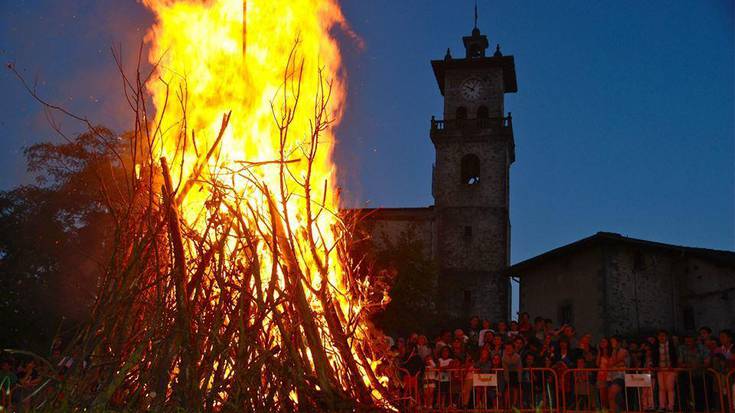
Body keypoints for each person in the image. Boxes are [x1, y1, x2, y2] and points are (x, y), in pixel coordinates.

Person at [652, 329, 678, 412]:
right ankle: (662, 406)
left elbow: (675, 356)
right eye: (660, 336)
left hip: (670, 369)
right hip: (660, 369)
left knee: (670, 387)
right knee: (661, 388)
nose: (661, 337)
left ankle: (671, 406)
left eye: (663, 335)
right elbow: (654, 357)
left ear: (667, 336)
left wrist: (673, 365)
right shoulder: (656, 346)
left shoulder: (671, 345)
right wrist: (656, 366)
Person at [608, 336, 629, 413]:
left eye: (613, 341)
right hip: (613, 376)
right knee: (616, 398)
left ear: (618, 343)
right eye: (611, 342)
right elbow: (610, 364)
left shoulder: (624, 351)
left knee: (612, 395)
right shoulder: (613, 352)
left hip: (620, 376)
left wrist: (616, 363)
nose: (612, 344)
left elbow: (615, 361)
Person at [502, 341, 522, 409]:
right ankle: (506, 404)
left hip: (515, 373)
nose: (508, 350)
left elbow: (519, 368)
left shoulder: (517, 357)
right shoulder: (504, 357)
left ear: (513, 349)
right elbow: (505, 369)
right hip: (508, 373)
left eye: (509, 348)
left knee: (515, 389)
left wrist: (519, 379)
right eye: (506, 348)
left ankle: (514, 404)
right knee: (507, 389)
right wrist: (506, 379)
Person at [596, 337, 611, 410]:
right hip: (601, 376)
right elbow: (597, 364)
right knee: (602, 397)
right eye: (601, 341)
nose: (602, 343)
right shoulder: (600, 354)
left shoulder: (611, 353)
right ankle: (604, 410)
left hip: (610, 377)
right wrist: (599, 352)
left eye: (604, 341)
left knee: (609, 396)